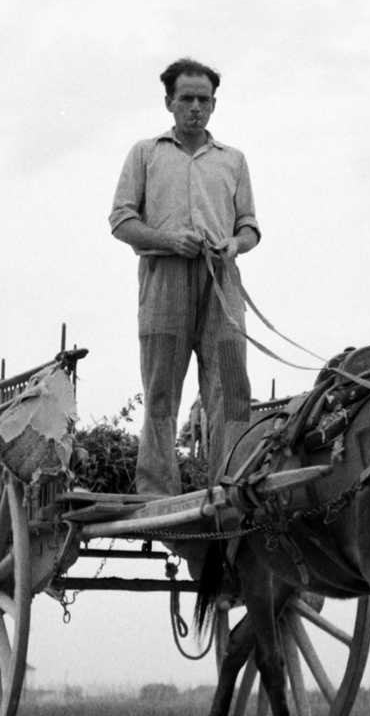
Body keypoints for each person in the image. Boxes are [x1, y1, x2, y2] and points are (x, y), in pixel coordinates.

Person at [109, 57, 259, 494]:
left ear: (214, 105)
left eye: (204, 99)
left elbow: (248, 225)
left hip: (222, 281)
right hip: (165, 279)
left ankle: (230, 484)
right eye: (187, 98)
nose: (196, 106)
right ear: (169, 103)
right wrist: (170, 240)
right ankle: (156, 490)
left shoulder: (233, 160)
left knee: (231, 388)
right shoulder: (146, 153)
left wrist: (236, 244)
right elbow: (121, 221)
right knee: (161, 391)